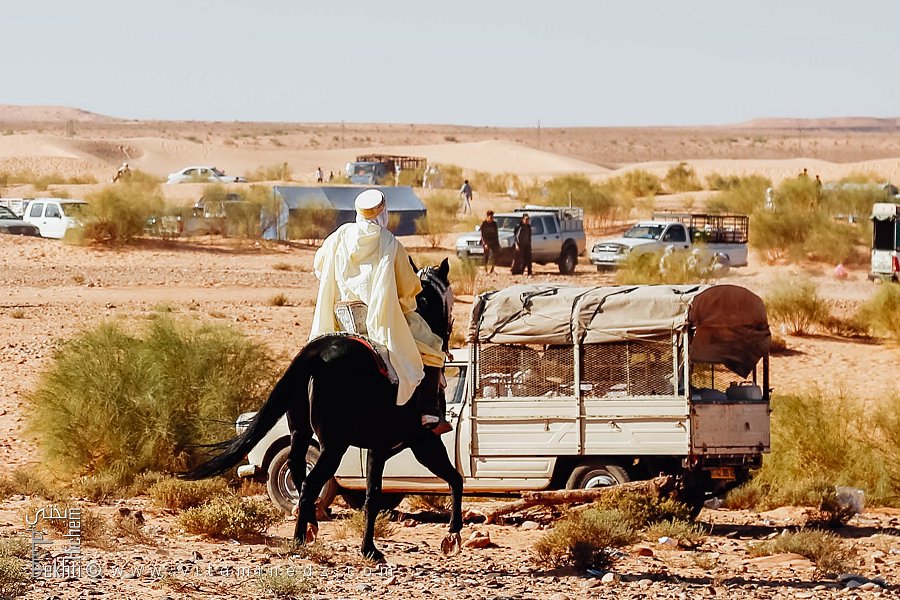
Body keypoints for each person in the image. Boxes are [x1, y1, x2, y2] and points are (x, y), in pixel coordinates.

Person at [309, 189, 451, 434]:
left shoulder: (338, 237)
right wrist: (406, 302)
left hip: (340, 321)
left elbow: (319, 267)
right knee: (433, 345)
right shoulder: (389, 243)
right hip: (379, 320)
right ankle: (429, 410)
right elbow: (409, 289)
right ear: (383, 213)